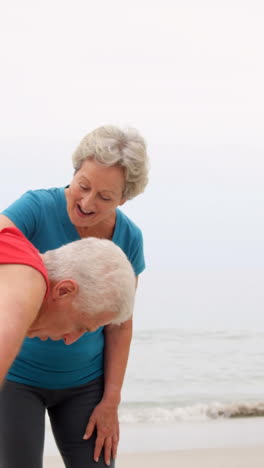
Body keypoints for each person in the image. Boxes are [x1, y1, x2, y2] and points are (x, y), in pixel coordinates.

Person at [0, 125, 149, 468]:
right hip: (18, 378)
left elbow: (120, 324)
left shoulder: (129, 238)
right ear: (75, 171)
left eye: (105, 197)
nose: (86, 202)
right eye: (83, 185)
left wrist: (110, 400)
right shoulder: (35, 208)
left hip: (84, 384)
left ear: (124, 199)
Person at [0, 226, 135, 385]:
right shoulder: (26, 281)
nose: (69, 340)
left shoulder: (13, 252)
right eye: (81, 327)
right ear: (64, 291)